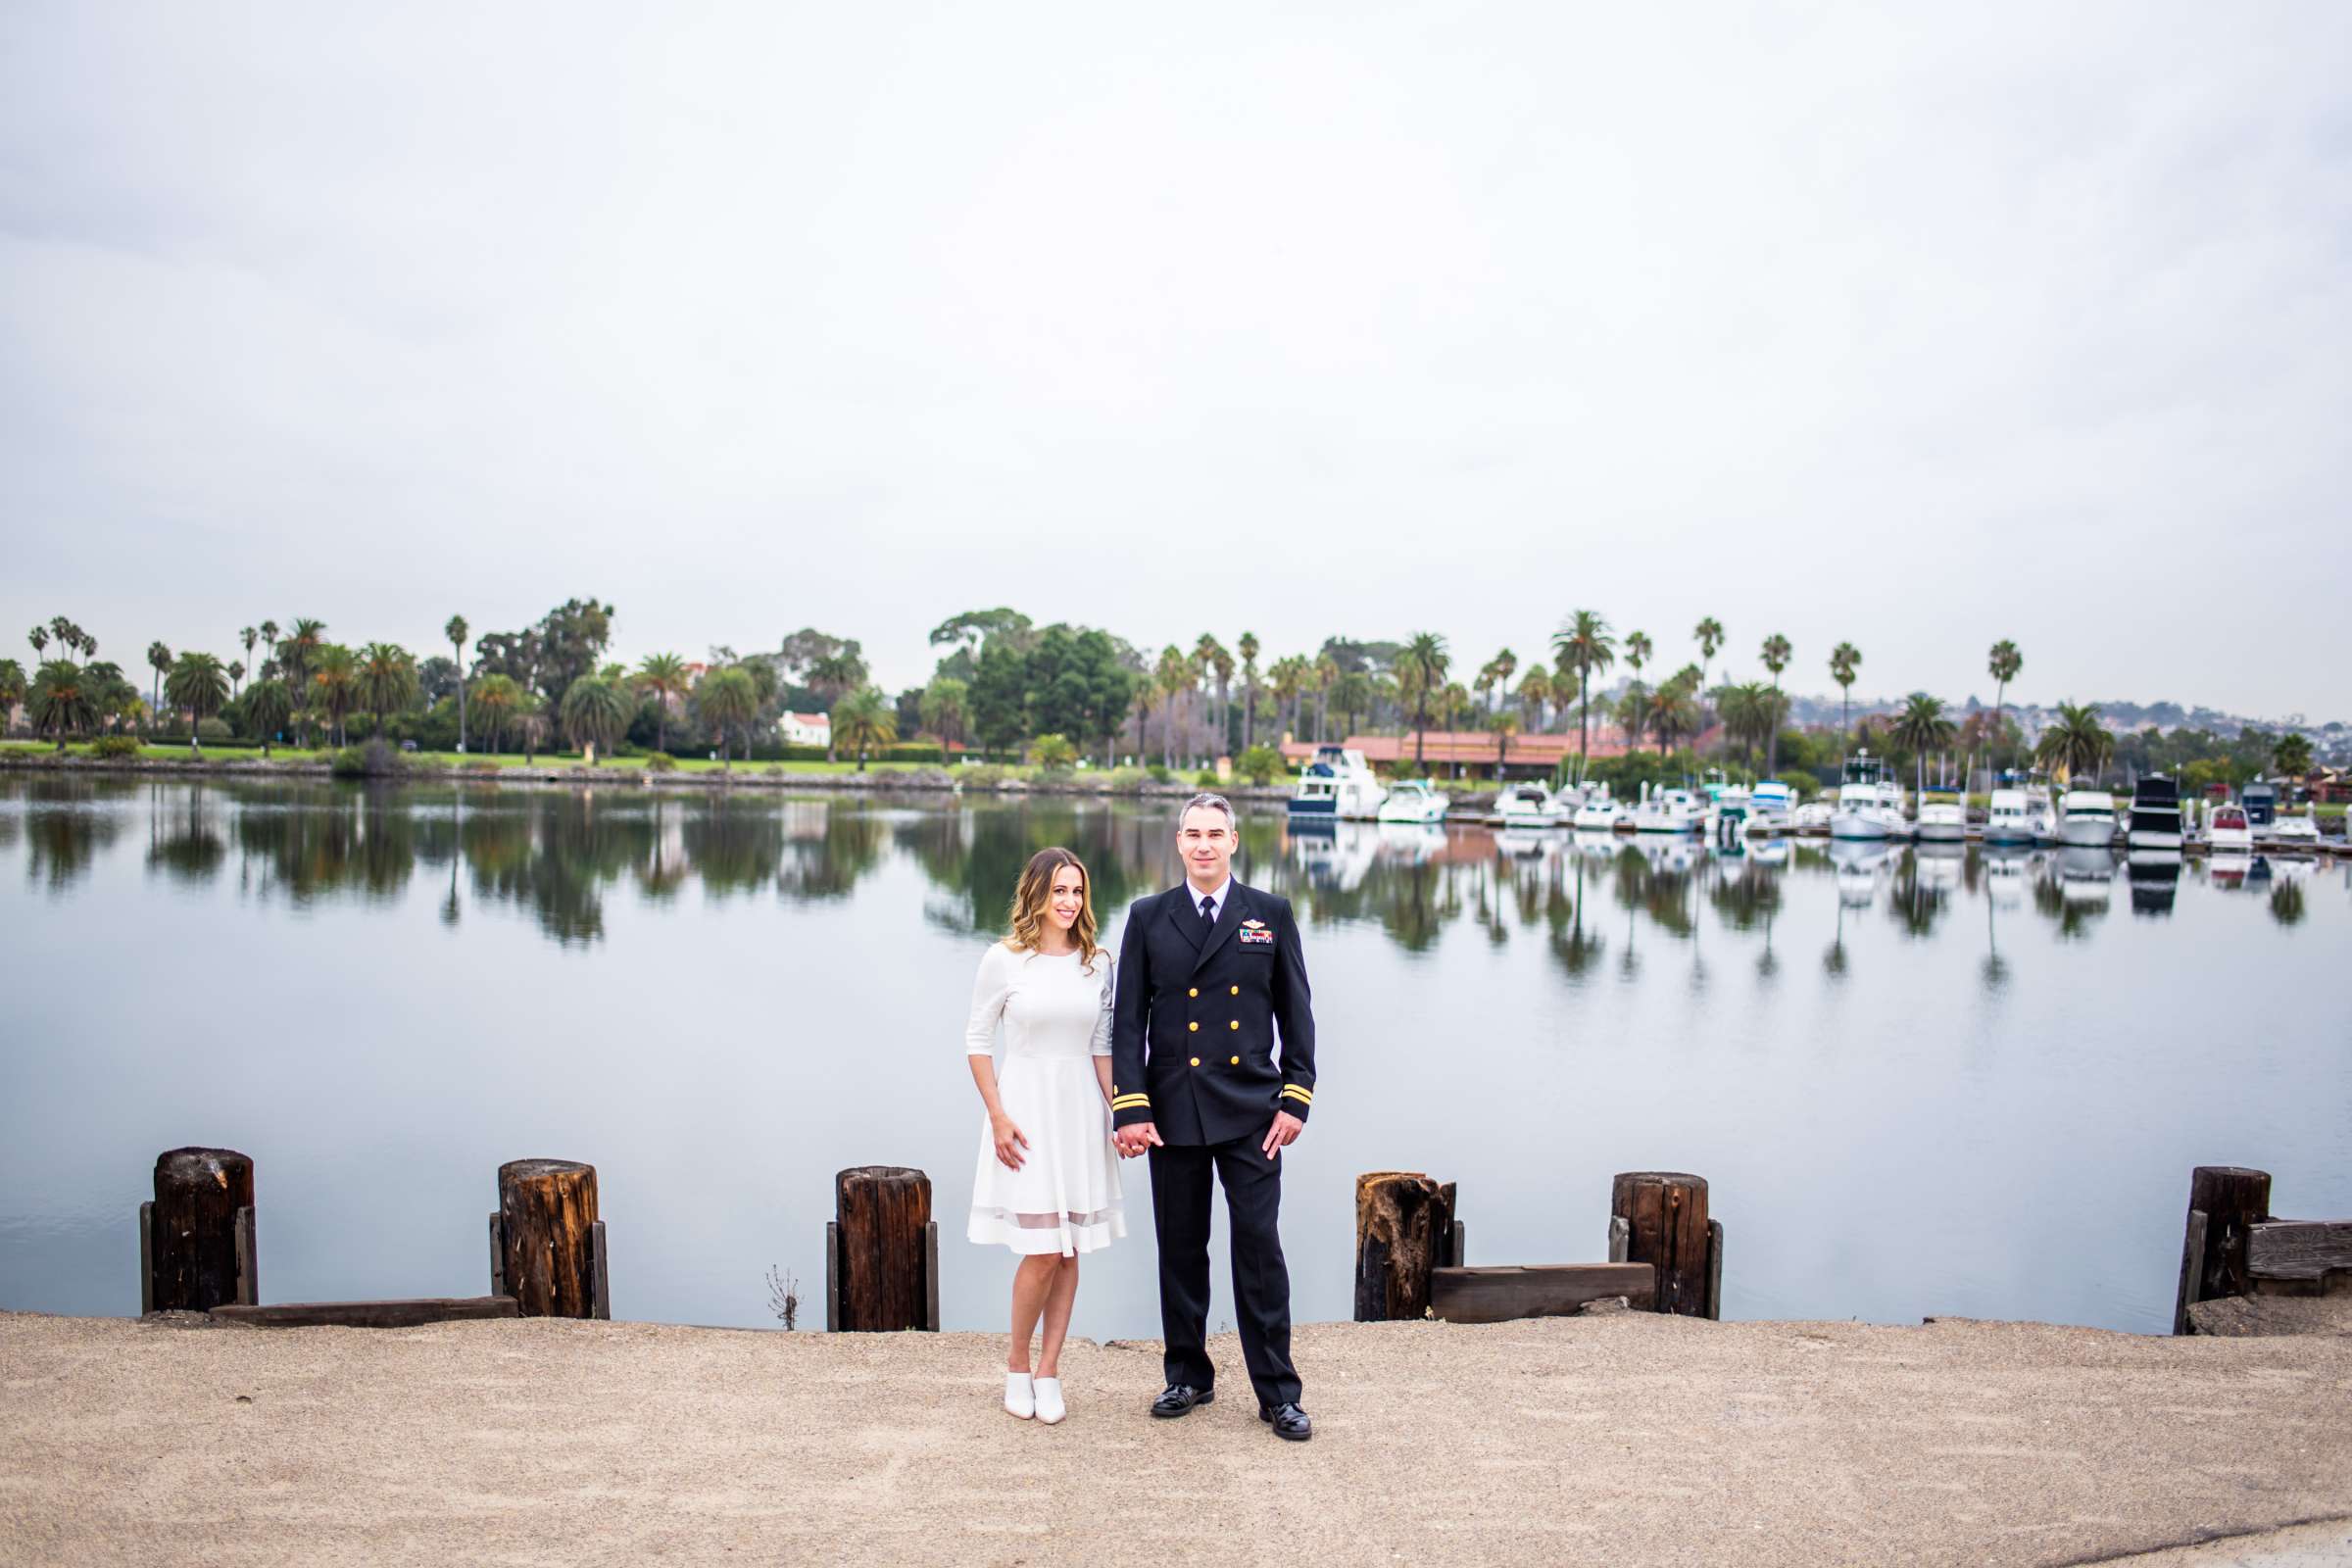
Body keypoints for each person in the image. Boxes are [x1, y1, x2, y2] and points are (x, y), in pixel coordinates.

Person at [1112, 793, 1317, 1442]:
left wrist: (1295, 1098)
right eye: (1193, 834)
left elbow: (1298, 1015)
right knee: (1180, 1249)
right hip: (1172, 1113)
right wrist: (1131, 1107)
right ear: (1179, 844)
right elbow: (1127, 1026)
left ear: (1234, 841)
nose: (1204, 845)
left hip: (1254, 1113)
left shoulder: (1270, 915)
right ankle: (1187, 1375)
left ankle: (1278, 1392)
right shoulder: (1149, 918)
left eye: (1215, 834)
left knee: (1259, 1252)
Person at [963, 846, 1123, 1425]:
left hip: (1079, 1111)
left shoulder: (1097, 962)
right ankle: (1015, 1365)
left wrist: (1121, 1113)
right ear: (1036, 893)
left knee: (1069, 1248)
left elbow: (1102, 1047)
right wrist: (998, 1115)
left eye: (1077, 891)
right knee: (1042, 1250)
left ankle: (1049, 1370)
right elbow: (977, 1042)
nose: (1069, 901)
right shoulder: (1004, 960)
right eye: (1059, 890)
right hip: (1025, 1113)